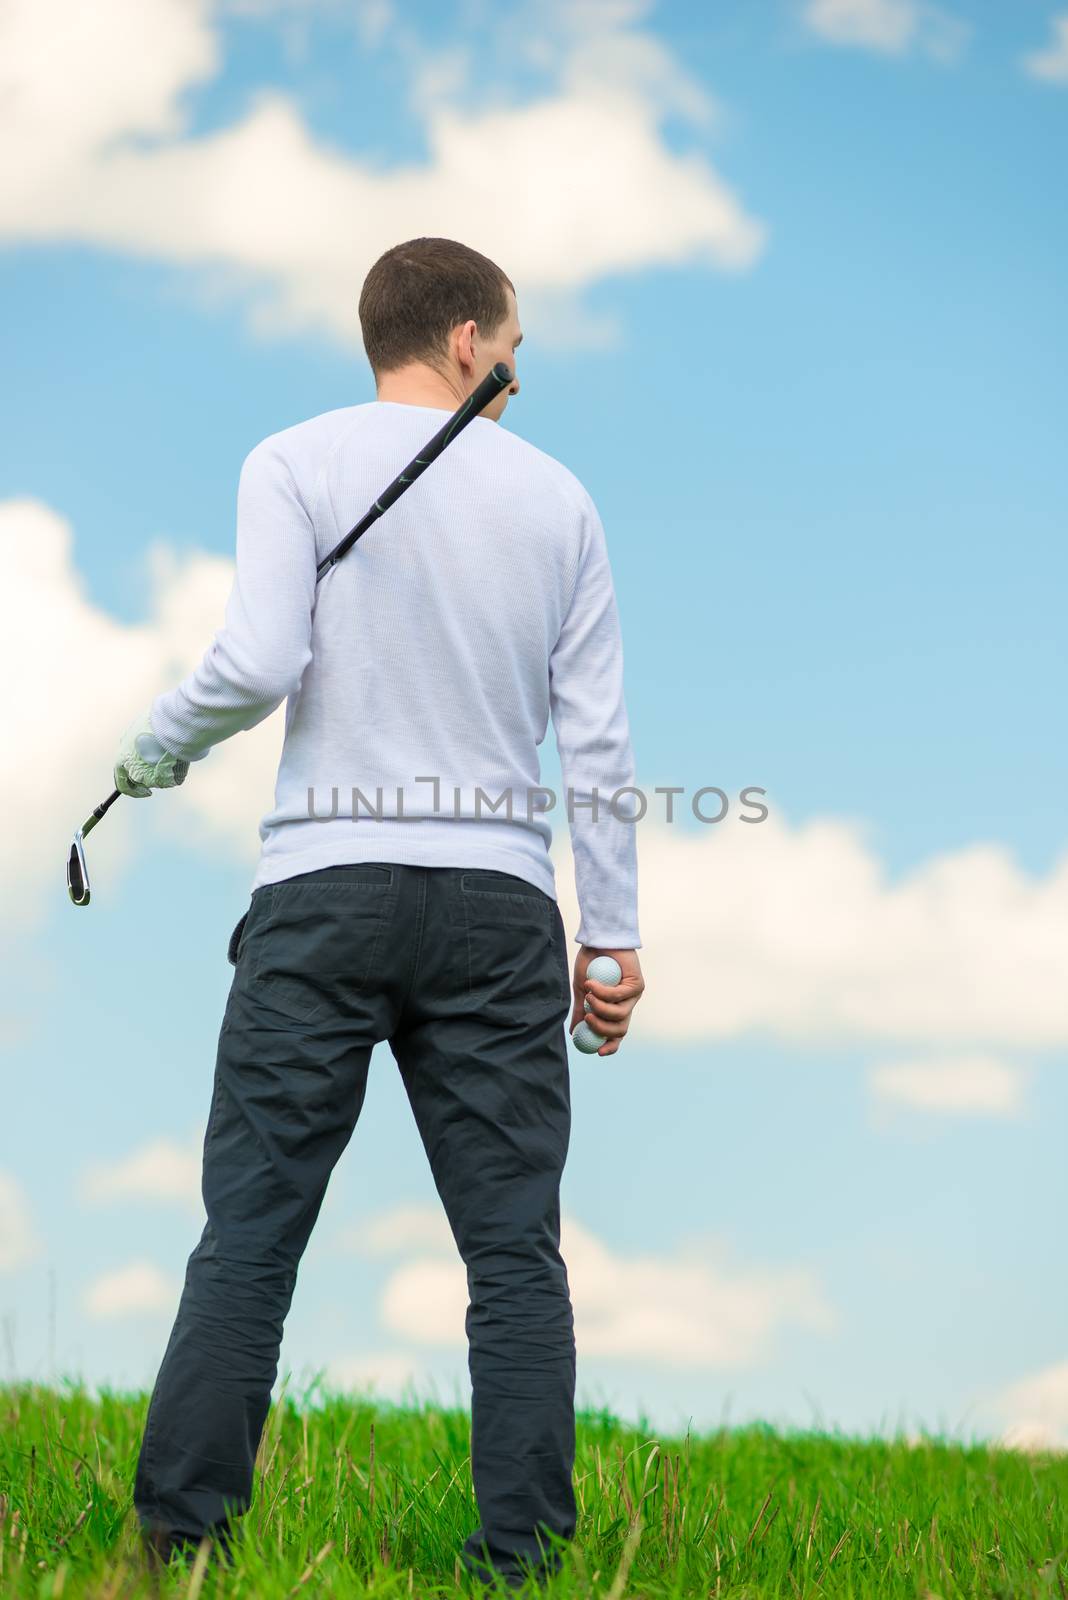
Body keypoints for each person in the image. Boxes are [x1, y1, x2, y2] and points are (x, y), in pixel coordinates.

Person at [121, 236, 645, 1587]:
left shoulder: (292, 461)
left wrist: (156, 750)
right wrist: (613, 935)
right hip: (496, 907)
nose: (517, 376)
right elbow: (598, 749)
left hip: (323, 893)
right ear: (469, 339)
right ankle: (522, 1560)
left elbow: (256, 660)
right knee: (515, 1256)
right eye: (513, 351)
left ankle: (182, 1547)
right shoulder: (562, 502)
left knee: (251, 1233)